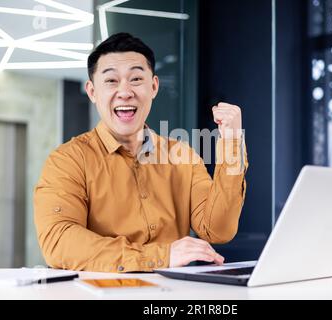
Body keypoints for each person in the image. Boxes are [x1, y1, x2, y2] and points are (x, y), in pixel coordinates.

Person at [34, 33, 248, 273]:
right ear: (92, 92)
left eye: (136, 79)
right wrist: (160, 255)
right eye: (111, 81)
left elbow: (218, 229)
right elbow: (59, 242)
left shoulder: (182, 157)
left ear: (154, 86)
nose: (125, 92)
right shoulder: (67, 161)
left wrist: (231, 143)